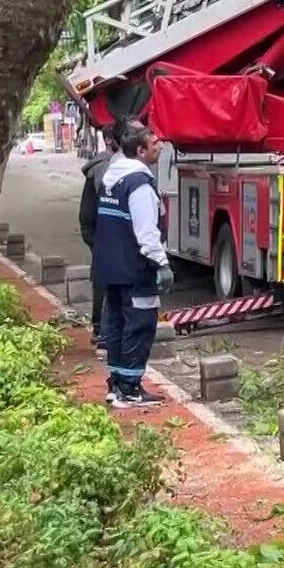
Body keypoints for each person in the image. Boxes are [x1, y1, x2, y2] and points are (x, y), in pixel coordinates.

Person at [94, 122, 174, 409]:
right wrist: (162, 264)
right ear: (140, 151)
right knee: (139, 325)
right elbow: (146, 232)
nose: (160, 146)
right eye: (154, 143)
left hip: (111, 267)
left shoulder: (111, 178)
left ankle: (117, 383)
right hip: (135, 268)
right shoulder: (138, 184)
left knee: (115, 323)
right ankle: (130, 388)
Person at [78, 124, 122, 356]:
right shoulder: (106, 167)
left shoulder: (106, 163)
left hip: (96, 230)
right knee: (106, 281)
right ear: (109, 141)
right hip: (101, 231)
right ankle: (102, 330)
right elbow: (108, 197)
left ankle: (101, 328)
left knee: (104, 278)